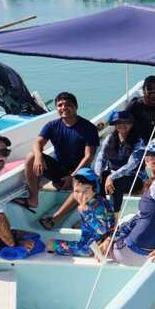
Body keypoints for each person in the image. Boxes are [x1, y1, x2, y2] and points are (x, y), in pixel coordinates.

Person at [100, 138, 155, 269]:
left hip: (133, 252)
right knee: (127, 221)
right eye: (148, 153)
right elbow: (141, 217)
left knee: (99, 238)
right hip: (149, 248)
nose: (150, 157)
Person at [18, 92, 99, 221]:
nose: (63, 108)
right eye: (60, 105)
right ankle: (33, 198)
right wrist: (38, 156)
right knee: (31, 157)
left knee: (83, 186)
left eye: (68, 105)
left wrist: (72, 176)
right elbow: (37, 142)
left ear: (76, 107)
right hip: (58, 170)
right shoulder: (52, 125)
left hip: (79, 171)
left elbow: (89, 156)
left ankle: (56, 218)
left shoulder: (88, 128)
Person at [47, 168, 114, 258]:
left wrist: (86, 213)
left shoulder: (97, 207)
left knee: (51, 245)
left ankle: (53, 244)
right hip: (93, 235)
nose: (80, 195)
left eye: (85, 191)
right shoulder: (96, 200)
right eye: (77, 191)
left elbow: (102, 230)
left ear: (94, 189)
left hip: (96, 241)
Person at [95, 110, 146, 215]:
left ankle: (115, 215)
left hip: (135, 177)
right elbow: (101, 157)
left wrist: (112, 177)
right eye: (119, 122)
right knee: (96, 181)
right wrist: (98, 173)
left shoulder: (138, 141)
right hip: (113, 173)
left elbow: (132, 165)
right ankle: (101, 210)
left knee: (115, 184)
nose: (122, 125)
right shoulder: (110, 138)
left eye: (126, 122)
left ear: (131, 124)